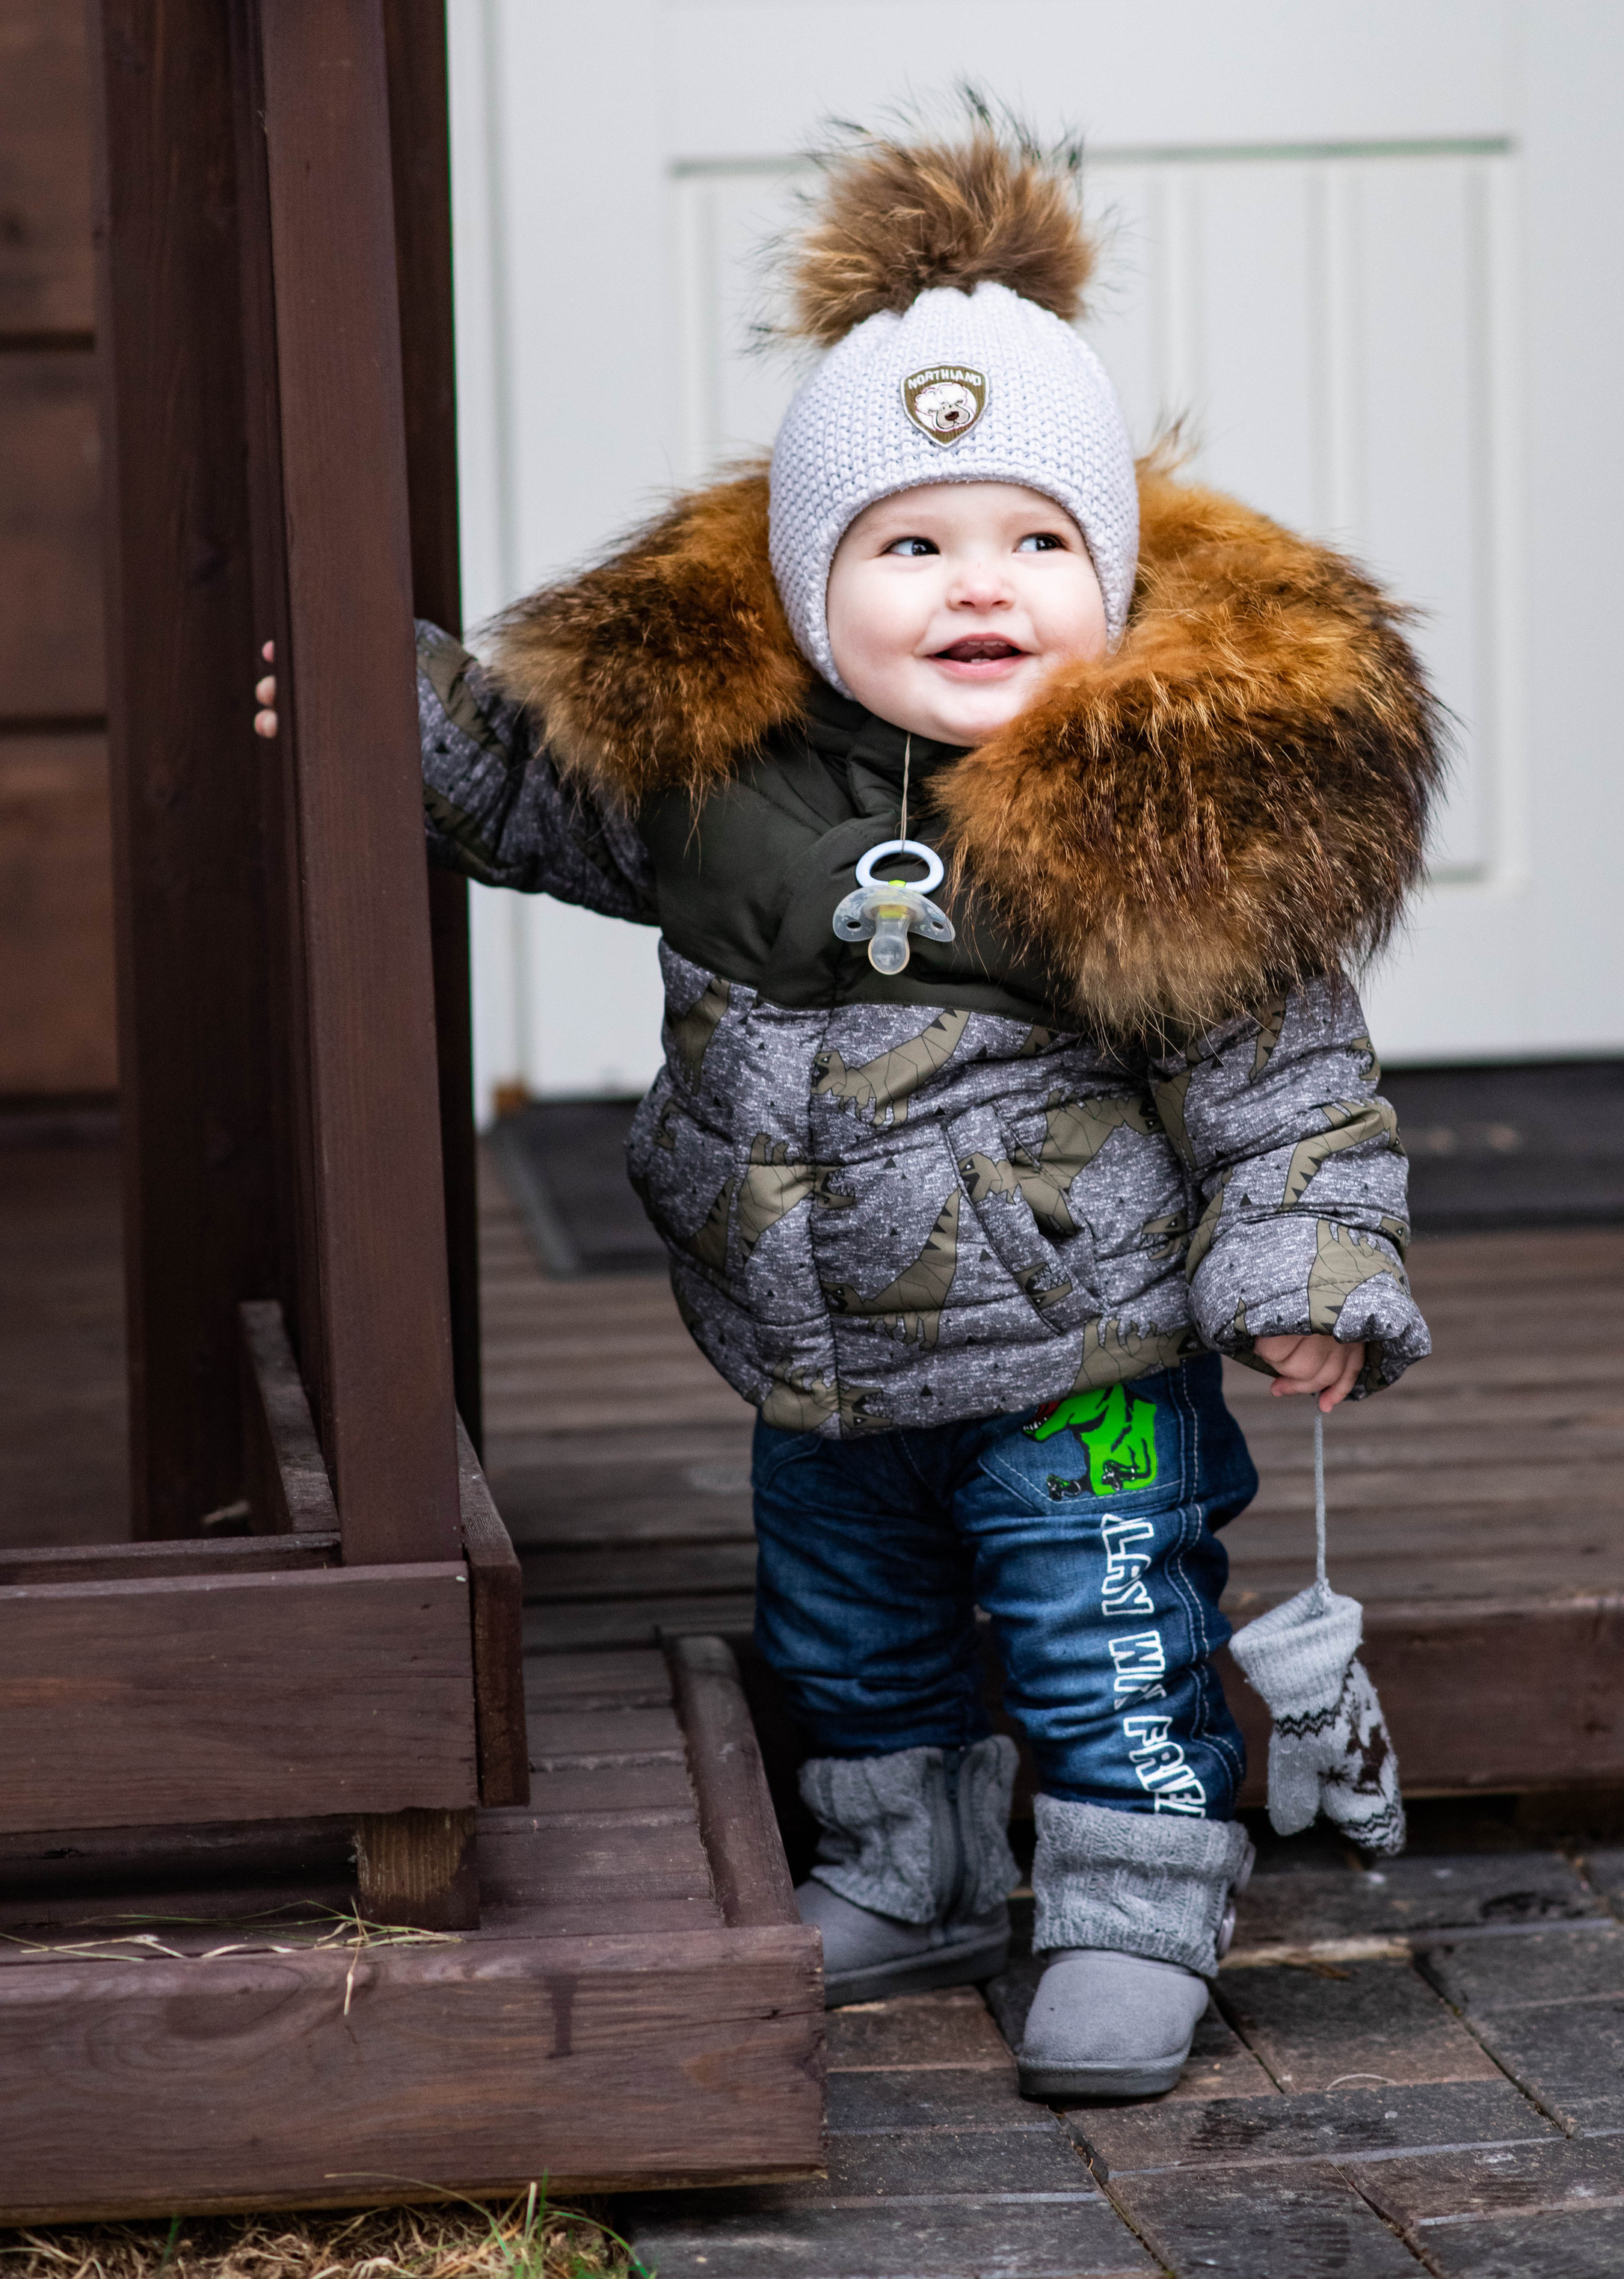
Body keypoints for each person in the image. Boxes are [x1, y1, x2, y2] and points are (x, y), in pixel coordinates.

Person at [399, 113, 1440, 2099]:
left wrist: (1308, 1265)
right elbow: (531, 793)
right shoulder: (723, 777)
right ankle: (914, 1865)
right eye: (915, 545)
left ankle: (1138, 1900)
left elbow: (1284, 1075)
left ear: (1106, 574)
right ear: (809, 586)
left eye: (1039, 542)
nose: (984, 588)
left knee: (1101, 1627)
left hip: (1086, 1356)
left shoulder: (1149, 812)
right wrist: (381, 703)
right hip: (822, 1357)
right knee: (847, 1627)